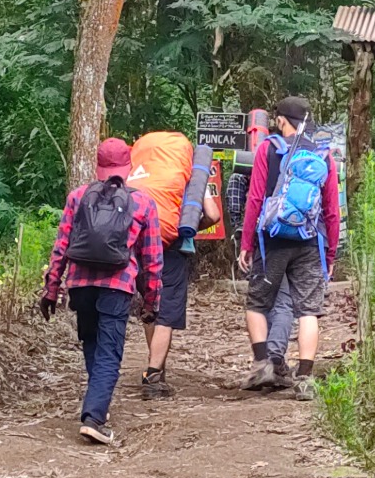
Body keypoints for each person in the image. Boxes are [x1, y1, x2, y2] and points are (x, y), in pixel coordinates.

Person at [40, 138, 163, 445]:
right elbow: (152, 259)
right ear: (129, 166)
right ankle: (94, 418)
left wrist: (52, 288)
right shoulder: (143, 203)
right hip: (117, 286)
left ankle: (98, 405)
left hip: (80, 284)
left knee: (92, 343)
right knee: (110, 352)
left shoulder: (77, 197)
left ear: (97, 166)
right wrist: (152, 300)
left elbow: (61, 246)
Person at [239, 96, 341, 401]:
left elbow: (255, 199)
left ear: (281, 120)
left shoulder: (268, 149)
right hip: (310, 241)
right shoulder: (323, 155)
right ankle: (305, 379)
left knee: (257, 303)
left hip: (272, 239)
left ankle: (262, 366)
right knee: (308, 310)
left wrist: (247, 243)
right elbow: (332, 210)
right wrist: (331, 252)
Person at [140, 168, 222, 399]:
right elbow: (213, 215)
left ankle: (156, 366)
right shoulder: (192, 178)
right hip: (173, 249)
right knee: (167, 312)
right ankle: (154, 375)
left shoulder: (146, 172)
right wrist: (188, 229)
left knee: (151, 306)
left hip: (142, 244)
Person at [225, 155, 296, 389]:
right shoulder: (303, 159)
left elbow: (250, 203)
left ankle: (264, 361)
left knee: (260, 302)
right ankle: (276, 359)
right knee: (284, 302)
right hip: (300, 236)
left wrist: (245, 241)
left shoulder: (246, 172)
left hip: (265, 239)